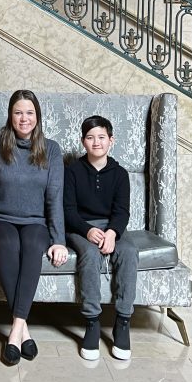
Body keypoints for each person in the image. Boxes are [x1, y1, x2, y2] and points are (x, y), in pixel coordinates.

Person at [0, 89, 68, 365]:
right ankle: (22, 330)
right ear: (10, 116)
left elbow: (54, 197)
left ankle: (15, 329)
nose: (23, 118)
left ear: (37, 117)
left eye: (29, 112)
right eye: (18, 112)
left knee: (35, 245)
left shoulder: (51, 149)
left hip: (35, 222)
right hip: (1, 220)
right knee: (7, 245)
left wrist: (58, 240)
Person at [64, 115, 136, 361]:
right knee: (90, 253)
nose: (96, 142)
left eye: (101, 137)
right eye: (90, 137)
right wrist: (87, 231)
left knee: (128, 252)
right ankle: (92, 322)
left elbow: (122, 211)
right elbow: (68, 211)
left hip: (111, 227)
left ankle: (123, 322)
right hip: (81, 228)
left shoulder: (120, 174)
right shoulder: (72, 171)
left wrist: (113, 233)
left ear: (111, 140)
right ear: (83, 141)